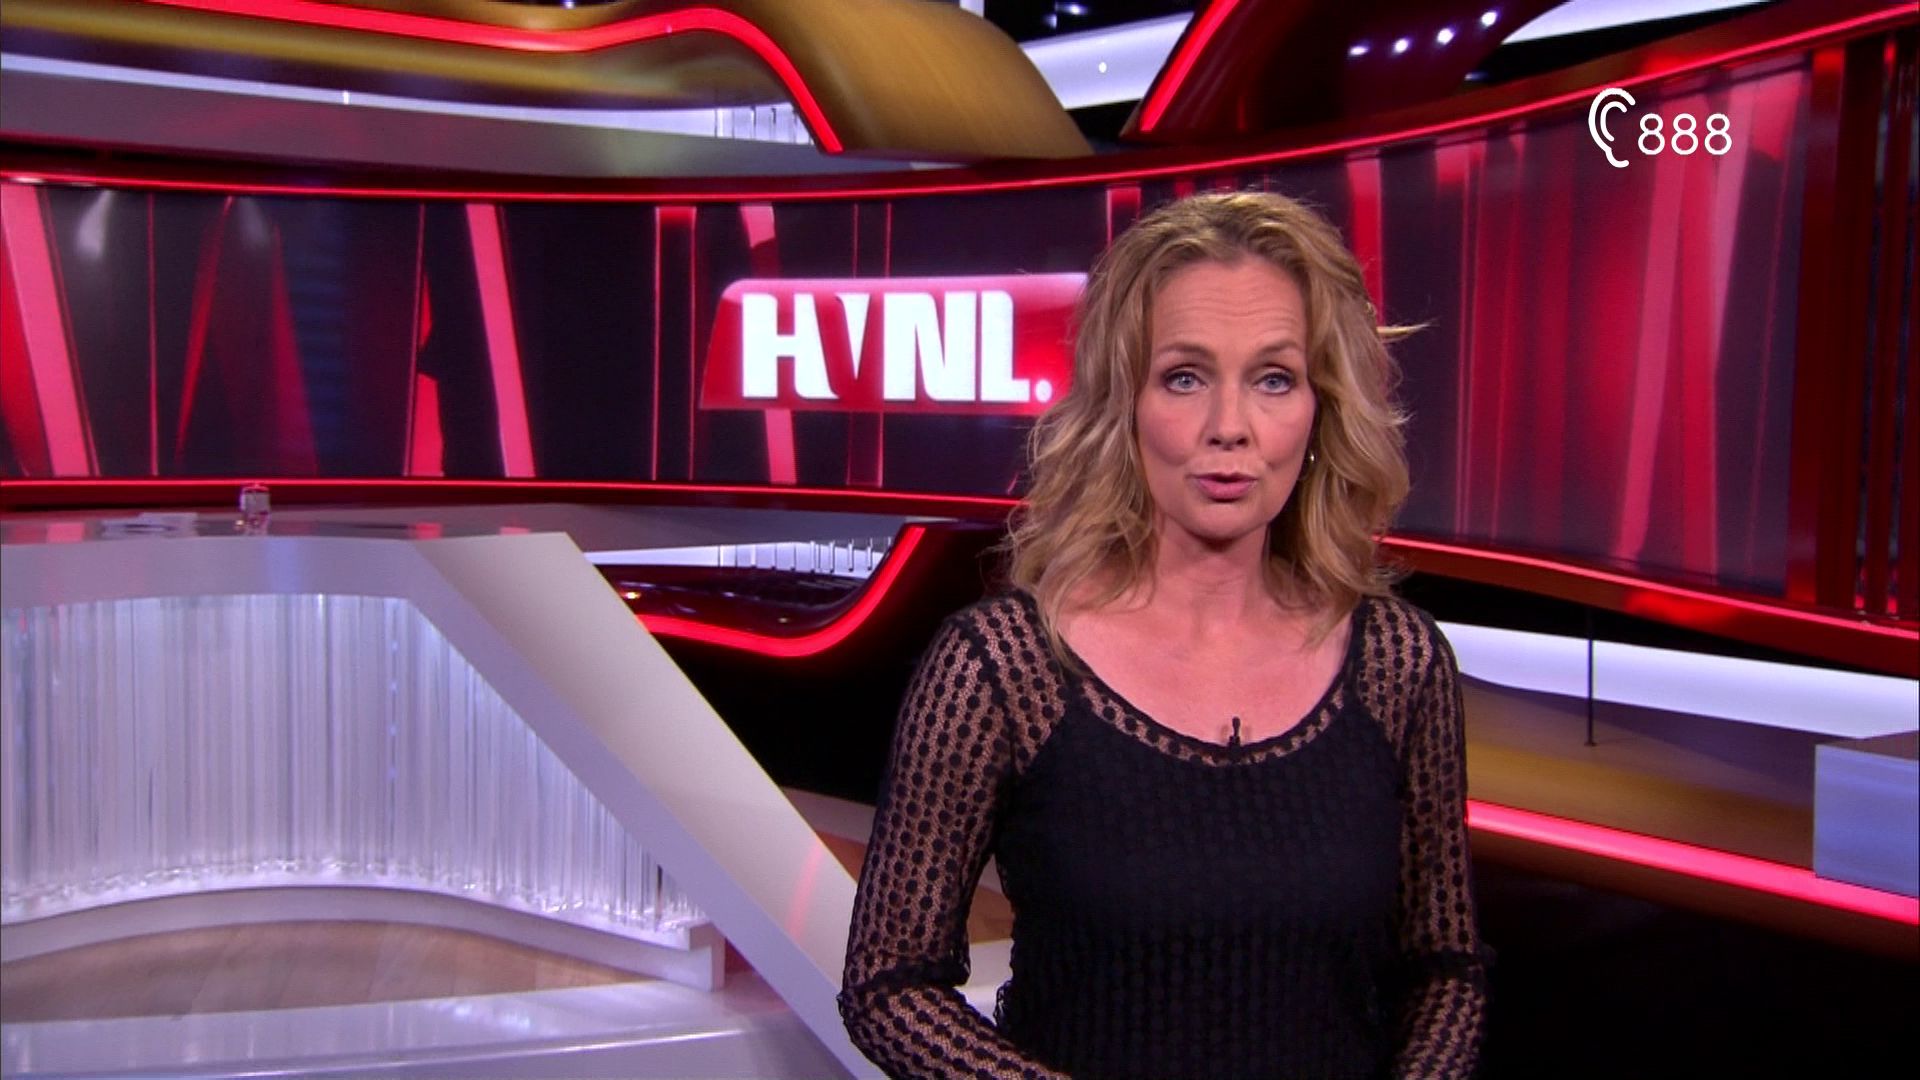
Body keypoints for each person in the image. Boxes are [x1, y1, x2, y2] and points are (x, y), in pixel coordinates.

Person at [839, 191, 1487, 1079]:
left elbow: (1444, 970)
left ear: (1320, 408)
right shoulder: (1003, 669)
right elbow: (889, 984)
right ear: (1125, 404)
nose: (1230, 428)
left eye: (1273, 378)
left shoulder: (1397, 664)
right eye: (1185, 377)